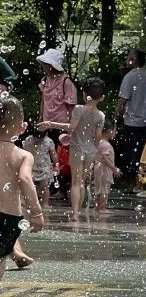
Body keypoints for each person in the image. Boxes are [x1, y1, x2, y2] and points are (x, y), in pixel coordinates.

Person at [40, 77, 105, 221]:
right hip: (90, 151)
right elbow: (98, 137)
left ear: (83, 94)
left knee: (75, 181)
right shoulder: (101, 115)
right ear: (102, 98)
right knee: (82, 181)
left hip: (77, 149)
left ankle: (74, 213)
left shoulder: (78, 109)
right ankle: (79, 211)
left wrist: (50, 123)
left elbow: (71, 127)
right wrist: (95, 151)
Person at [0, 98, 44, 282]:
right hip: (8, 219)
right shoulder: (23, 155)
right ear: (22, 128)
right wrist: (36, 213)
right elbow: (25, 179)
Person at [114, 49, 146, 178]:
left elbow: (122, 100)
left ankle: (136, 180)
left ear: (134, 60)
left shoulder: (129, 77)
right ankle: (145, 179)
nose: (126, 60)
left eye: (129, 57)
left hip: (132, 121)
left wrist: (116, 118)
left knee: (132, 153)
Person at [36, 49, 77, 148]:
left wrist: (71, 130)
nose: (43, 67)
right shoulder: (45, 80)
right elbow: (43, 102)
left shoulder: (66, 83)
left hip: (61, 126)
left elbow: (71, 108)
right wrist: (39, 120)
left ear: (52, 66)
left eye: (46, 64)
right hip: (46, 125)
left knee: (60, 157)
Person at [24, 124, 58, 211]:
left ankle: (45, 203)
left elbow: (53, 154)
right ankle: (29, 202)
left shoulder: (48, 141)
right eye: (36, 137)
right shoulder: (28, 140)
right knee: (30, 185)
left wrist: (56, 165)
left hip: (44, 166)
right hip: (31, 165)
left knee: (45, 186)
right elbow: (24, 152)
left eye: (40, 137)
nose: (38, 139)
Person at [93, 119, 119, 213]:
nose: (115, 133)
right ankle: (102, 208)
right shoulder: (106, 145)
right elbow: (105, 158)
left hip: (98, 169)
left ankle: (97, 207)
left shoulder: (99, 142)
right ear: (109, 131)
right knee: (104, 189)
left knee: (99, 189)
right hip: (104, 169)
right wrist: (113, 168)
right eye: (115, 131)